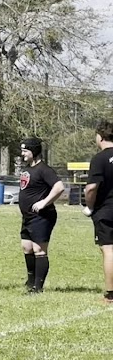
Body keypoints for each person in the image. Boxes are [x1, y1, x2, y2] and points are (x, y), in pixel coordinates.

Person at [17, 137, 65, 294]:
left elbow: (59, 187)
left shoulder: (44, 169)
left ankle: (38, 287)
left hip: (42, 216)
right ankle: (30, 281)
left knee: (39, 250)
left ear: (34, 151)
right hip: (28, 217)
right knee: (27, 247)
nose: (22, 154)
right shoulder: (28, 169)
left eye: (25, 150)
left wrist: (44, 202)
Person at [83, 120, 113, 304]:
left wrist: (90, 206)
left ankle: (110, 295)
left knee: (109, 250)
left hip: (107, 211)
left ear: (100, 136)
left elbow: (91, 188)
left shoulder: (99, 158)